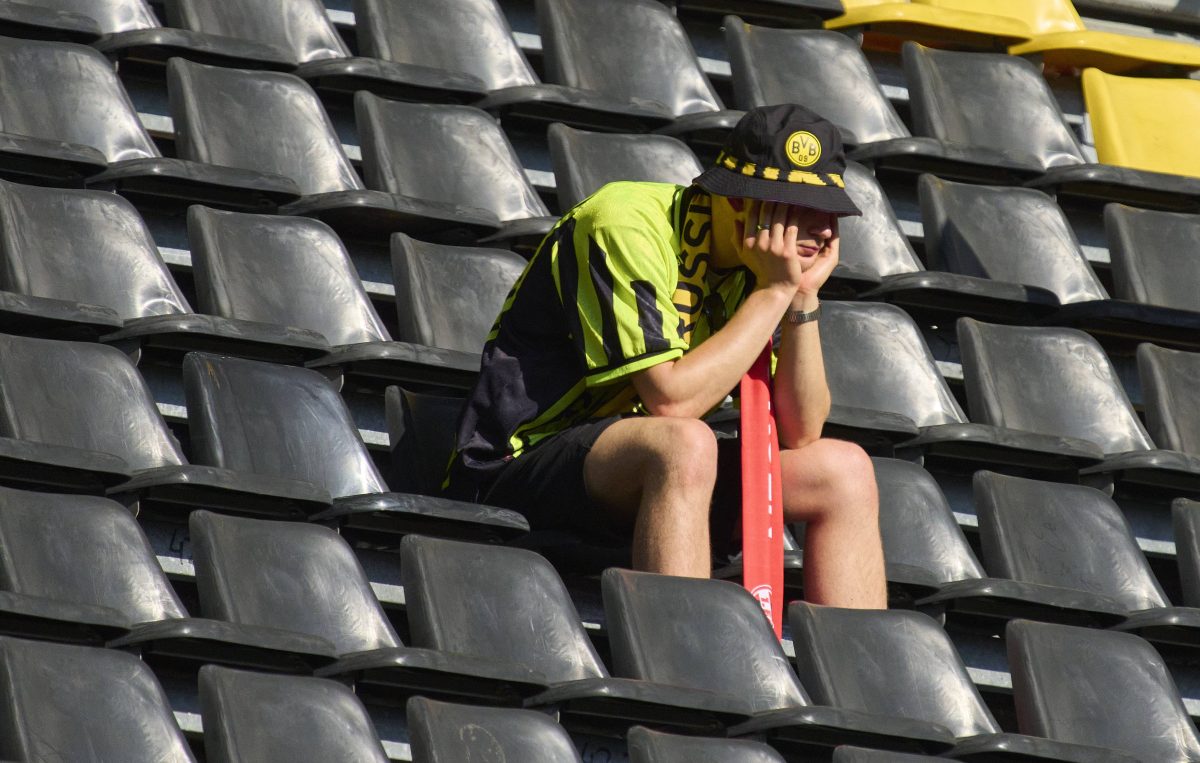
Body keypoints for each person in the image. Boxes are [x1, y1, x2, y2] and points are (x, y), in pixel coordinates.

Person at [445, 104, 886, 609]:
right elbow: (671, 402)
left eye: (826, 210)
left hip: (660, 473)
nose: (821, 231)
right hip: (522, 462)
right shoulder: (626, 222)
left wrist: (800, 300)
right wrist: (772, 293)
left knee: (843, 470)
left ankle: (854, 678)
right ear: (740, 201)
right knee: (684, 442)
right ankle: (682, 664)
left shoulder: (765, 269)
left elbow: (800, 433)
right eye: (796, 208)